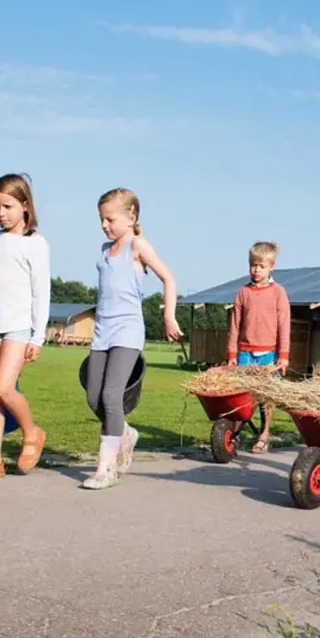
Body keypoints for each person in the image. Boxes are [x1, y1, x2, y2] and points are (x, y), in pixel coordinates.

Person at [82, 188, 181, 490]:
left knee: (112, 396)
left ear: (131, 217)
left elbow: (169, 278)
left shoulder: (138, 246)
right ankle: (125, 432)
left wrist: (168, 316)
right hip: (102, 332)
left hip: (127, 330)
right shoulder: (104, 250)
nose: (104, 225)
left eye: (110, 219)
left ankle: (106, 468)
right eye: (101, 219)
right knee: (93, 397)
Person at [0, 174, 50, 481]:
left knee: (4, 387)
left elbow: (41, 293)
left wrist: (38, 337)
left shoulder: (36, 244)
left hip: (19, 326)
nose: (0, 213)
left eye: (7, 206)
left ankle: (32, 433)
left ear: (25, 205)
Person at [226, 241, 291, 453]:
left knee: (265, 396)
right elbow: (235, 325)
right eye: (253, 265)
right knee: (242, 393)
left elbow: (284, 325)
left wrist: (283, 355)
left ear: (271, 266)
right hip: (245, 351)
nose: (256, 270)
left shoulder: (278, 292)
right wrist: (232, 353)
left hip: (268, 352)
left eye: (261, 266)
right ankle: (234, 433)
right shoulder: (243, 292)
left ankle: (264, 434)